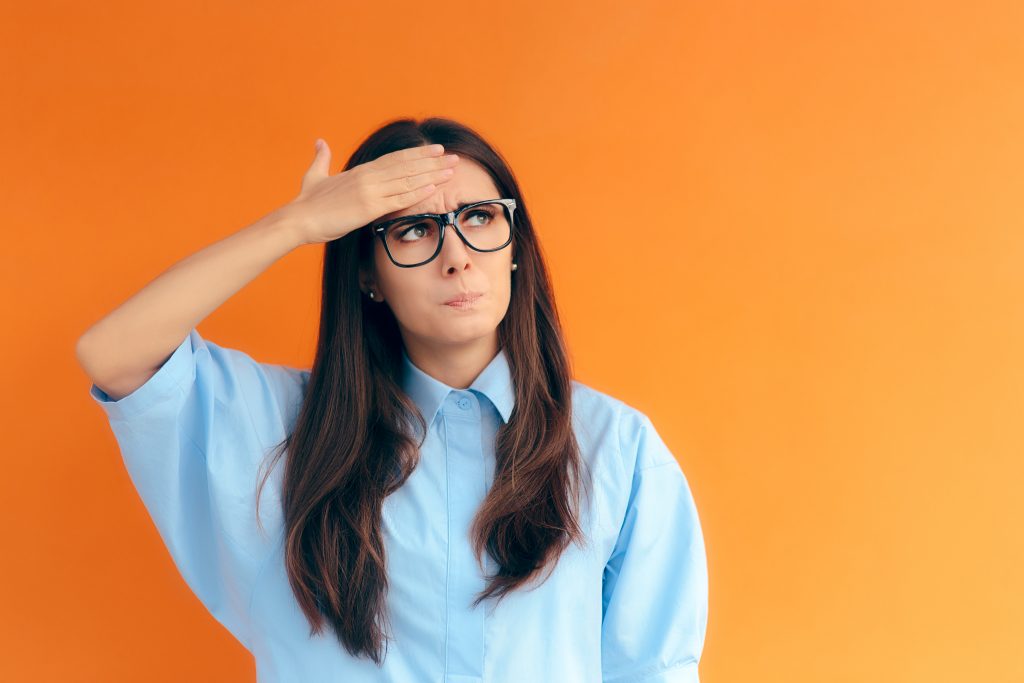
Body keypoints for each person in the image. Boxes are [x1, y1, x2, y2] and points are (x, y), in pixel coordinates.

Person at [76, 117, 708, 682]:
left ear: (516, 248)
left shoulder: (614, 446)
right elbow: (114, 355)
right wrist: (295, 224)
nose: (456, 257)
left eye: (480, 218)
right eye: (413, 230)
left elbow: (653, 671)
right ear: (366, 273)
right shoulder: (277, 427)